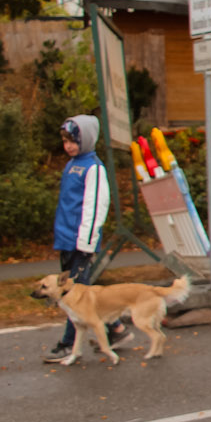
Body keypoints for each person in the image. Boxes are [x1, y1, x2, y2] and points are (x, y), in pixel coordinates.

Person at [43, 115, 130, 362]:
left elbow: (96, 206)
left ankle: (68, 344)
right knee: (78, 291)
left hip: (80, 241)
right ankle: (116, 329)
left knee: (73, 296)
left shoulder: (93, 168)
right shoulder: (72, 164)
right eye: (65, 141)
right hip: (66, 238)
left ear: (87, 140)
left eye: (73, 141)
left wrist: (86, 242)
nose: (68, 146)